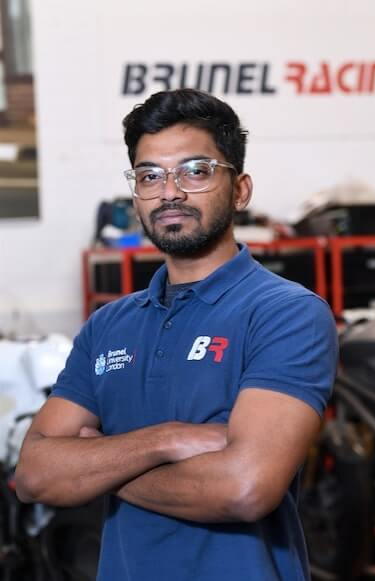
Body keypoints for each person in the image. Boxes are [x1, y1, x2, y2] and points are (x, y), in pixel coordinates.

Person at [15, 88, 338, 581]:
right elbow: (34, 475)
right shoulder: (108, 325)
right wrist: (166, 440)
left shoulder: (286, 314)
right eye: (150, 176)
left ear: (240, 190)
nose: (169, 192)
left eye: (195, 171)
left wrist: (98, 466)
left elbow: (245, 488)